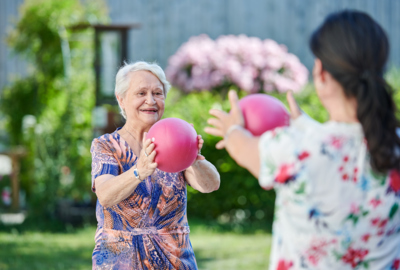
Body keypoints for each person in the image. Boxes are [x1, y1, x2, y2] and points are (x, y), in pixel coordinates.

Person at [205, 10, 400, 270]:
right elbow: (347, 144)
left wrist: (232, 129)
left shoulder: (293, 147)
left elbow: (242, 147)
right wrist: (305, 126)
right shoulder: (392, 145)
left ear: (321, 73)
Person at [91, 61, 220, 269]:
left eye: (157, 93)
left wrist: (193, 158)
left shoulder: (175, 138)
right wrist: (138, 171)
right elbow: (105, 195)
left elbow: (211, 185)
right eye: (141, 93)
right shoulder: (107, 145)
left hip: (176, 260)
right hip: (120, 261)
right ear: (121, 99)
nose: (150, 101)